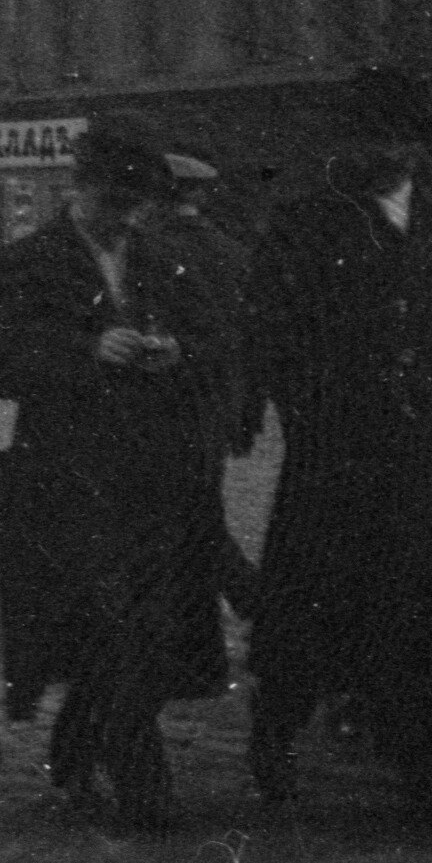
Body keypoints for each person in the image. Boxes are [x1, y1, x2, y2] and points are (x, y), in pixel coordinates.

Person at [242, 69, 432, 830]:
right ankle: (274, 733)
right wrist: (311, 410)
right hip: (340, 461)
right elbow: (271, 331)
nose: (385, 156)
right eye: (371, 142)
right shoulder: (306, 225)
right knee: (311, 613)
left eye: (398, 143)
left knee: (429, 617)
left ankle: (431, 773)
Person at [0, 113, 229, 832]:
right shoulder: (23, 262)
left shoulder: (159, 259)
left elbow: (215, 344)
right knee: (111, 623)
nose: (124, 219)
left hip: (154, 478)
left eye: (136, 205)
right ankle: (145, 786)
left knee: (140, 628)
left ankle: (76, 744)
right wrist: (87, 352)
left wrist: (174, 350)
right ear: (77, 190)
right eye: (112, 203)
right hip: (66, 480)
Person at [163, 151, 263, 619]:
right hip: (220, 400)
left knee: (190, 515)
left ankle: (254, 598)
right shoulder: (231, 250)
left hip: (168, 397)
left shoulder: (151, 248)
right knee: (198, 506)